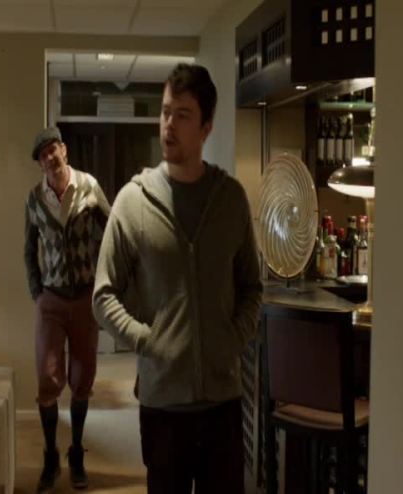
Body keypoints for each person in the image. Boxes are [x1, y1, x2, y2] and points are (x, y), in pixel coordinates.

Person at [92, 63, 262, 493]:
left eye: (182, 115)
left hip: (223, 404)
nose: (169, 124)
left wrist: (232, 339)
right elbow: (103, 294)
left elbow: (252, 287)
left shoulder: (230, 200)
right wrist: (148, 342)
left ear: (206, 128)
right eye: (166, 111)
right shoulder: (133, 202)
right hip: (163, 408)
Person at [24, 126, 110, 492]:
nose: (49, 158)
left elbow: (111, 231)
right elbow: (29, 249)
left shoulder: (88, 185)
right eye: (43, 155)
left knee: (82, 377)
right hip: (52, 300)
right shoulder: (34, 199)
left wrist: (105, 280)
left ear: (64, 150)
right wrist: (37, 292)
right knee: (47, 378)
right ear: (40, 164)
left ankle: (76, 454)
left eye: (52, 150)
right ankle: (50, 456)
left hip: (85, 297)